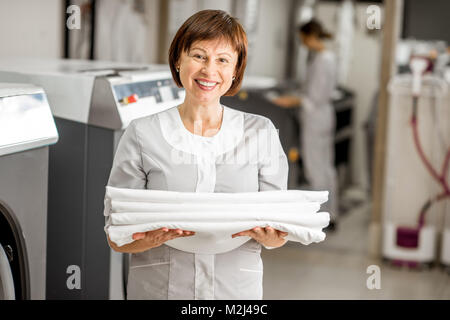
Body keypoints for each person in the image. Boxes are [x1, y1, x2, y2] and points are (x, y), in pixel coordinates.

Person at [104, 10, 289, 300]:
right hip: (161, 289)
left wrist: (273, 237)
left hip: (234, 293)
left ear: (235, 71)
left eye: (223, 60)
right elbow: (117, 235)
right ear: (179, 59)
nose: (209, 71)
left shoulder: (261, 133)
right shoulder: (142, 134)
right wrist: (146, 240)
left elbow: (278, 229)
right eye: (199, 56)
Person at [273, 19, 339, 230]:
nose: (302, 44)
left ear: (310, 37)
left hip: (316, 117)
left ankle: (323, 215)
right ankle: (330, 213)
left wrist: (293, 100)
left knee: (316, 167)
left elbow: (315, 96)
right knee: (325, 166)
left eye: (303, 39)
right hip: (322, 116)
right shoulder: (325, 58)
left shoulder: (323, 60)